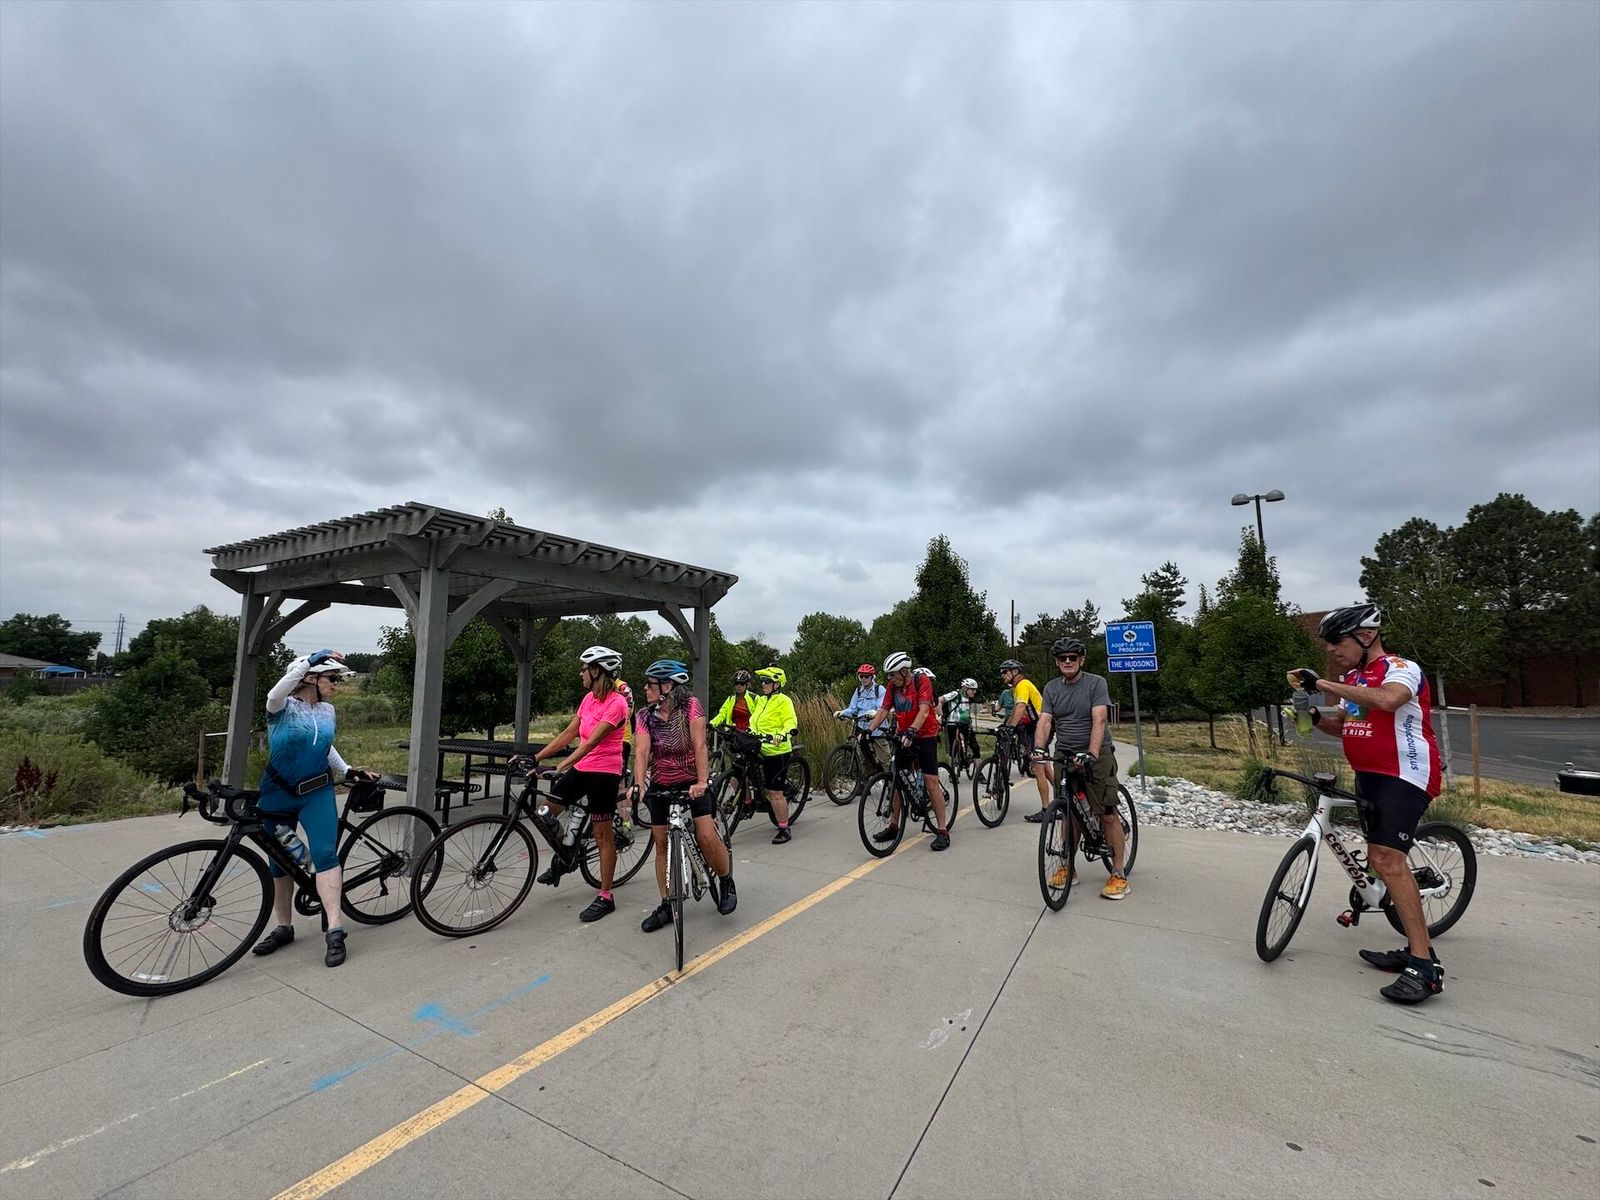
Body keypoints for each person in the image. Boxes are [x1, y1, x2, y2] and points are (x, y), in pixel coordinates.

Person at [1292, 602, 1444, 1004]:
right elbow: (1347, 725)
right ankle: (1413, 945)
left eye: (1336, 641)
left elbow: (1389, 701)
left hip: (1405, 774)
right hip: (1369, 775)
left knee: (1387, 861)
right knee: (1381, 857)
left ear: (1366, 636)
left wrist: (1325, 685)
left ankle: (1425, 967)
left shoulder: (1400, 668)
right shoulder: (1355, 678)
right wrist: (1312, 716)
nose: (1330, 649)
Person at [250, 650, 379, 968]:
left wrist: (346, 769)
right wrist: (310, 661)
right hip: (277, 794)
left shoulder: (327, 711)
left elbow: (324, 743)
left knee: (323, 854)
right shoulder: (281, 708)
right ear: (310, 679)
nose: (336, 684)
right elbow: (273, 694)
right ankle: (283, 927)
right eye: (331, 678)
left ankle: (335, 930)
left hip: (316, 792)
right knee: (279, 861)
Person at [632, 659, 737, 933]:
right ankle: (667, 904)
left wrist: (702, 781)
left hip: (692, 779)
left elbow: (700, 744)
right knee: (661, 843)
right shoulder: (644, 715)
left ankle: (726, 880)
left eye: (651, 684)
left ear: (667, 686)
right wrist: (639, 784)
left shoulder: (691, 706)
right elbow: (641, 751)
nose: (645, 688)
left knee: (705, 835)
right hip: (661, 782)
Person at [527, 646, 630, 923]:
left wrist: (559, 767)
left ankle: (605, 896)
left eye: (584, 669)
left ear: (596, 671)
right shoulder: (588, 699)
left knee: (602, 835)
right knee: (544, 812)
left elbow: (592, 742)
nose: (580, 673)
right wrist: (536, 757)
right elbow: (570, 733)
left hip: (604, 772)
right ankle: (567, 852)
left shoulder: (617, 704)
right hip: (583, 767)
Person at [1035, 638, 1128, 899]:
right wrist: (1038, 749)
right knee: (1068, 812)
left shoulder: (1096, 683)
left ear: (1081, 660)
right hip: (1065, 753)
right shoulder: (1051, 688)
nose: (1067, 661)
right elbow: (1045, 721)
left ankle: (1119, 873)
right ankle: (1068, 867)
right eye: (1062, 658)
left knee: (1107, 814)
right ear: (1057, 662)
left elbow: (1100, 720)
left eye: (1072, 657)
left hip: (1095, 754)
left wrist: (1091, 754)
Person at [864, 651, 951, 851]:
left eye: (893, 674)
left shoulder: (922, 681)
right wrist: (869, 730)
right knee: (896, 779)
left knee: (930, 782)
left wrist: (912, 730)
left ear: (904, 671)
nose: (890, 678)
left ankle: (942, 830)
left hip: (925, 734)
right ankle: (894, 825)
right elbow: (884, 710)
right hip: (904, 735)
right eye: (888, 675)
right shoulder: (892, 687)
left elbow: (924, 710)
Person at [750, 666, 799, 844]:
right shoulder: (761, 700)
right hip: (760, 745)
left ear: (777, 684)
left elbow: (790, 721)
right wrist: (749, 731)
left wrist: (783, 733)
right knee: (742, 765)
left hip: (777, 749)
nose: (763, 684)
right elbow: (754, 720)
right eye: (762, 681)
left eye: (767, 681)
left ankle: (784, 828)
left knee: (775, 793)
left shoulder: (784, 701)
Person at [999, 659, 1050, 822]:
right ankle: (1065, 800)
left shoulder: (1022, 685)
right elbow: (1016, 710)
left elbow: (1021, 708)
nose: (1002, 676)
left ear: (1015, 672)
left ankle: (1046, 810)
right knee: (1046, 769)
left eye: (1005, 672)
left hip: (1040, 727)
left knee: (1038, 767)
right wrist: (1006, 725)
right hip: (1035, 726)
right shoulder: (1017, 688)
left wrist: (1010, 727)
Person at [938, 678, 981, 766]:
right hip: (952, 723)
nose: (974, 692)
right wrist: (941, 715)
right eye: (972, 689)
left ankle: (979, 771)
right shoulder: (955, 694)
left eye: (975, 690)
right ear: (965, 688)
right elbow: (940, 700)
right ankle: (951, 770)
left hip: (965, 723)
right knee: (953, 748)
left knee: (975, 747)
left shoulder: (969, 698)